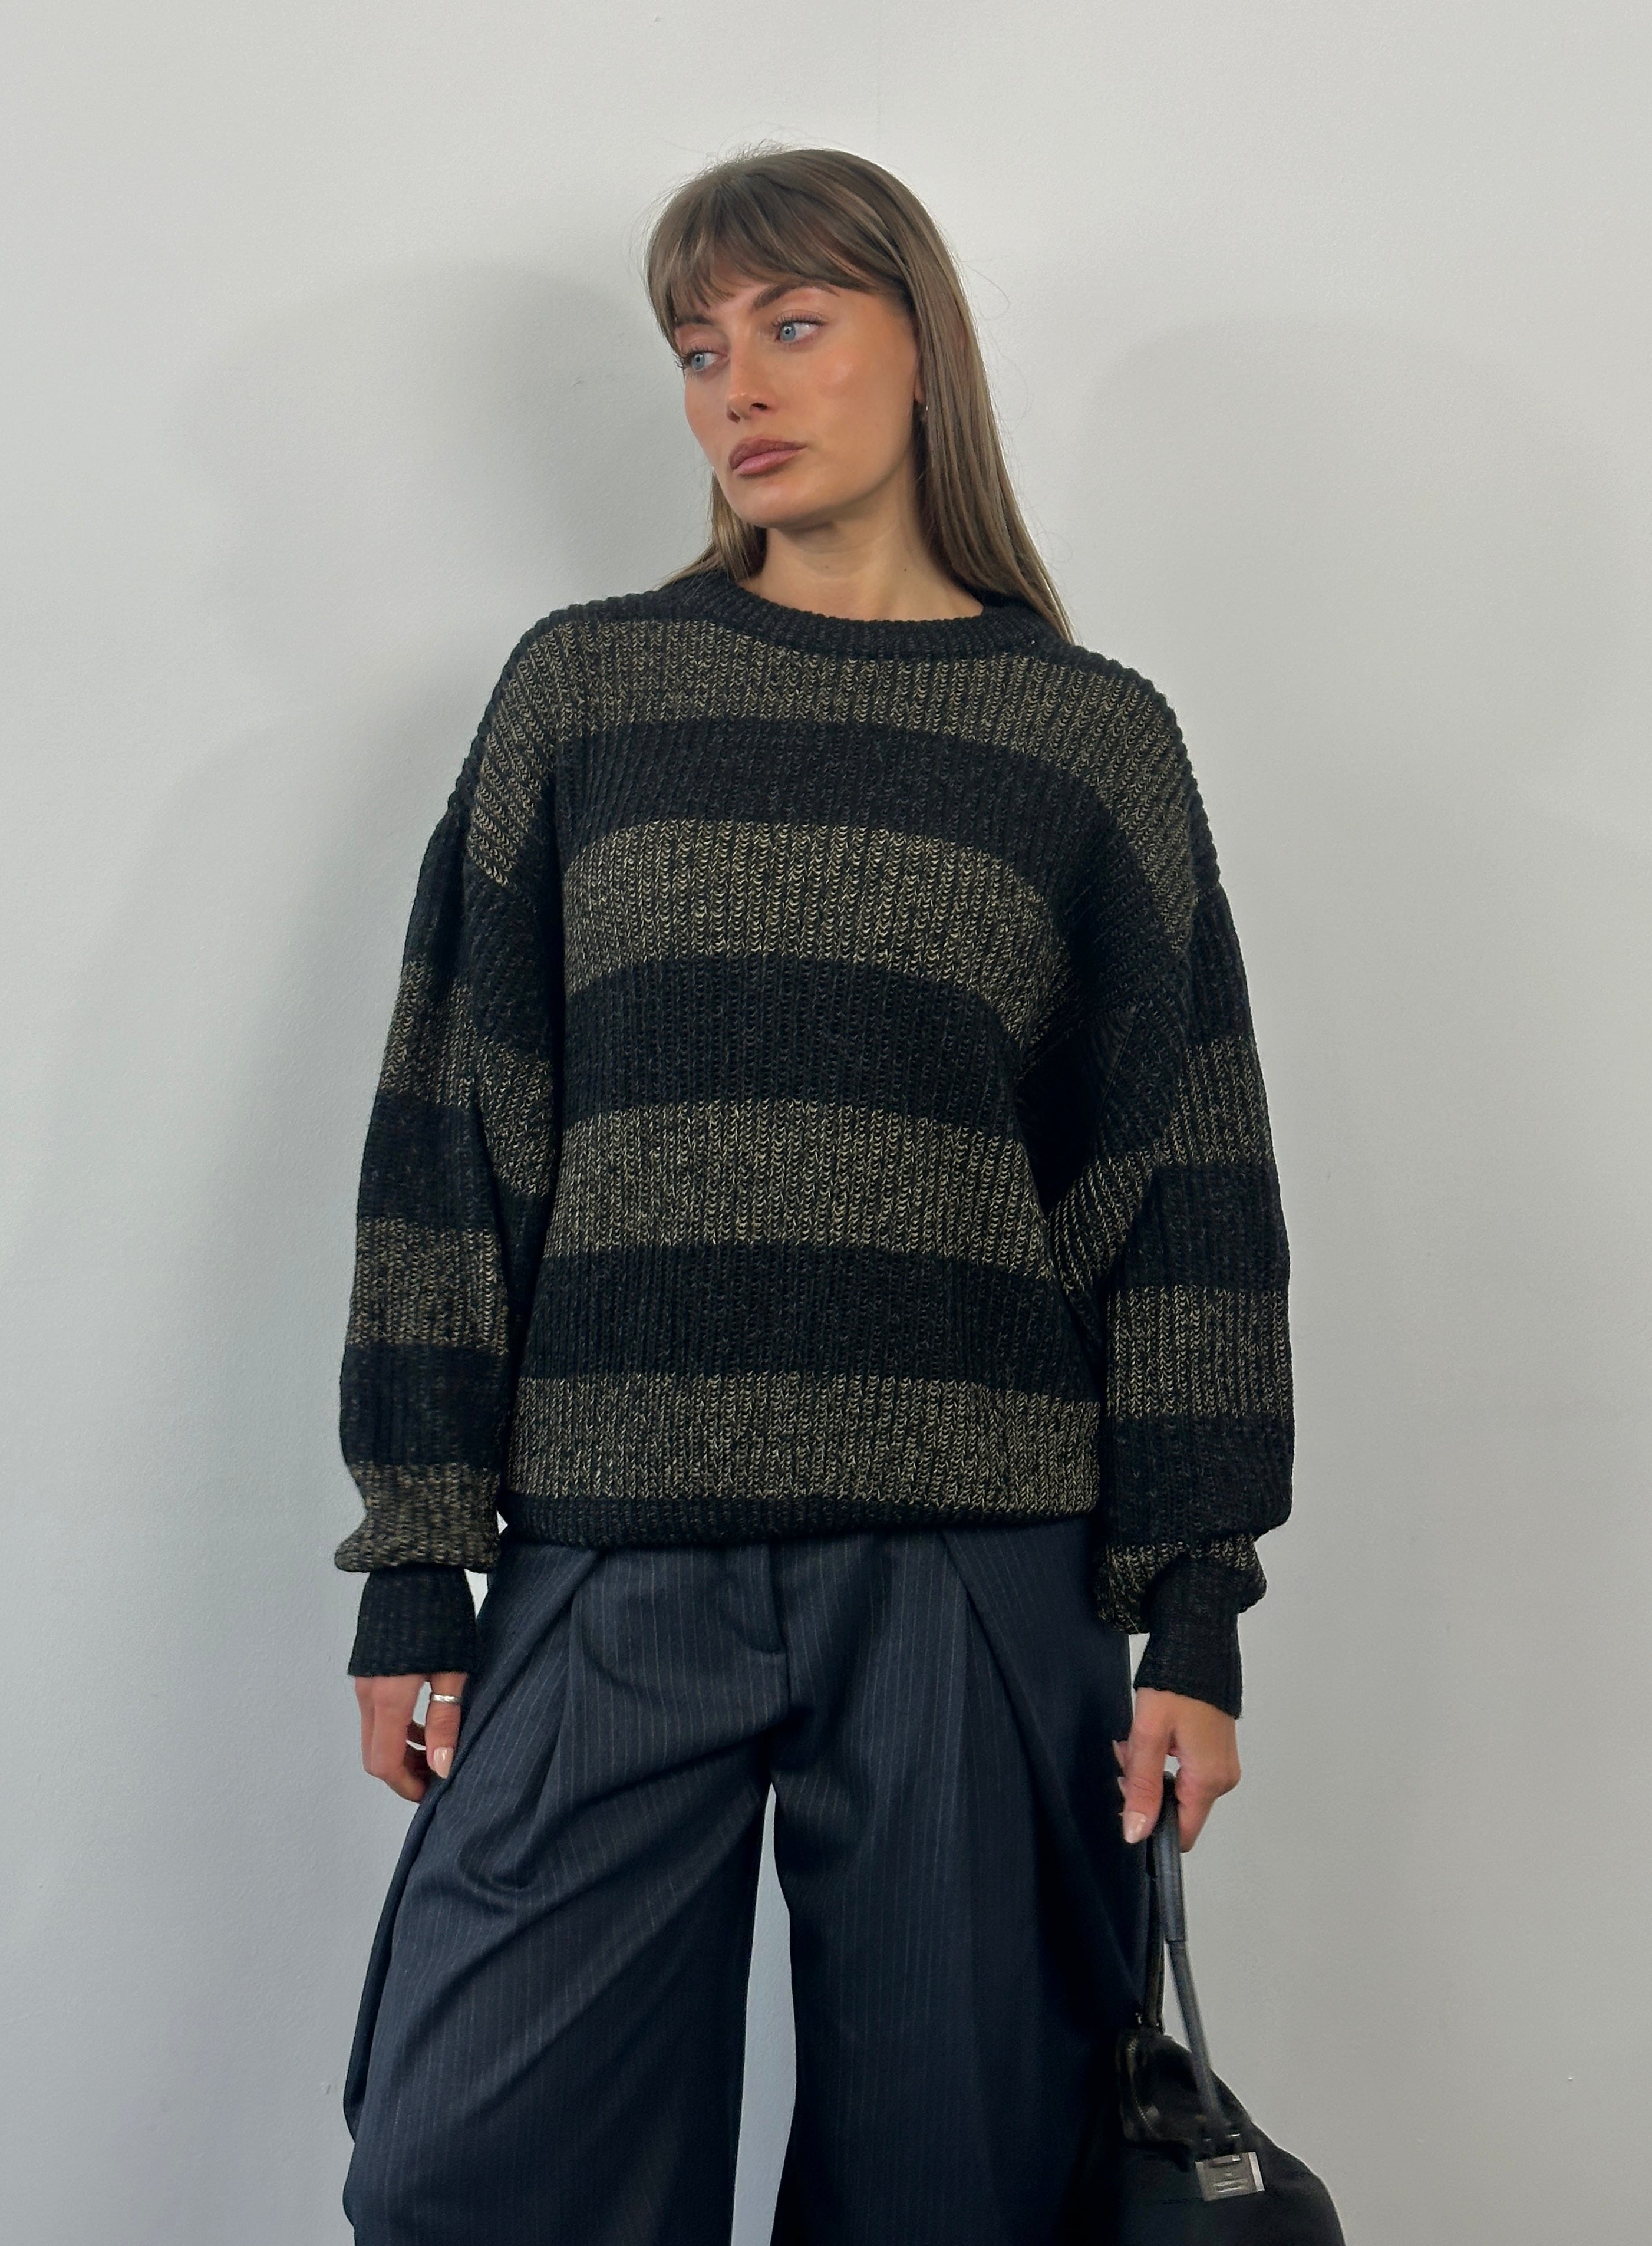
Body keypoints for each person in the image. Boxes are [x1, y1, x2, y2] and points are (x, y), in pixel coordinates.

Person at [333, 144, 1294, 2245]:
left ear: (920, 341)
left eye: (790, 323)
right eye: (696, 348)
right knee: (468, 2165)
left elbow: (1182, 1187)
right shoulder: (589, 692)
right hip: (613, 1542)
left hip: (974, 1561)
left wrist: (1195, 1607)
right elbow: (451, 1131)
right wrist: (417, 1561)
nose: (737, 387)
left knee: (956, 2182)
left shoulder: (1084, 740)